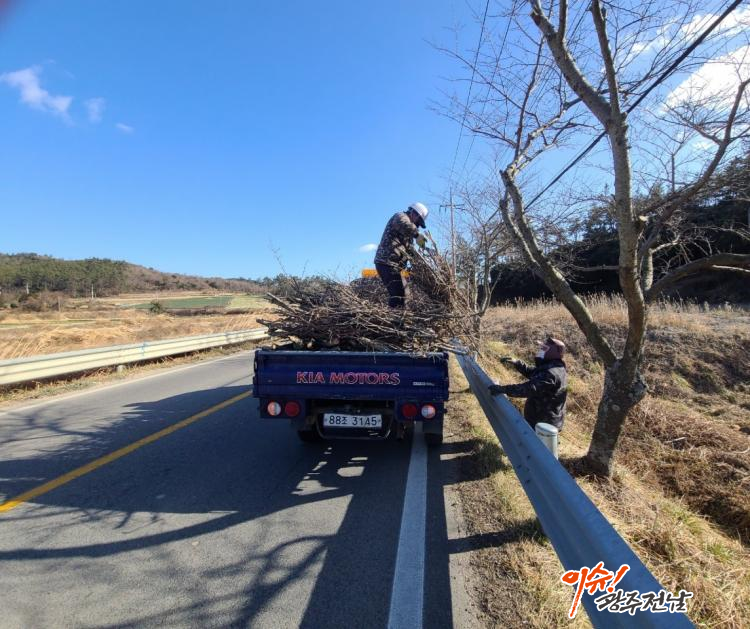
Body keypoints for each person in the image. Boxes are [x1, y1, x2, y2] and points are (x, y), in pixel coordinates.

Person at [488, 337, 568, 431]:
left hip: (544, 424)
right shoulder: (554, 366)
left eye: (544, 349)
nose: (540, 350)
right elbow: (535, 373)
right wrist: (517, 363)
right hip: (542, 419)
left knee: (530, 440)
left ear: (552, 352)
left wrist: (503, 389)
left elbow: (529, 388)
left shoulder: (552, 372)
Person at [374, 202, 429, 308]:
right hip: (386, 262)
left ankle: (400, 316)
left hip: (394, 266)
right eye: (418, 222)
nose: (417, 225)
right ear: (414, 213)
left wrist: (421, 260)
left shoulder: (409, 235)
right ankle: (394, 317)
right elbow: (404, 224)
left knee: (405, 293)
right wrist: (417, 235)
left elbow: (410, 251)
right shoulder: (400, 216)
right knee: (398, 294)